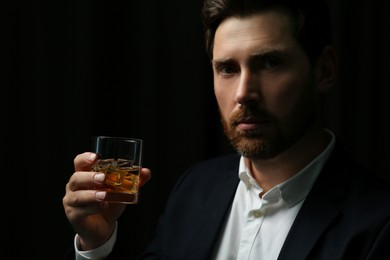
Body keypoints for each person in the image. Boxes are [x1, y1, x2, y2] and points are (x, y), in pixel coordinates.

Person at [63, 0, 390, 259]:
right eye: (228, 69)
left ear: (325, 70)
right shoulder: (194, 188)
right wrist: (96, 243)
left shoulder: (379, 223)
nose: (244, 92)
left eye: (271, 63)